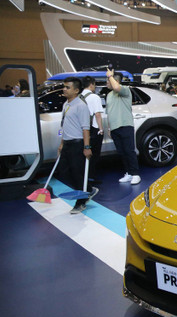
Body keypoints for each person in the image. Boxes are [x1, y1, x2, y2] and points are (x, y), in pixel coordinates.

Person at [57, 77, 99, 214]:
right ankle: (89, 189)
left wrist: (87, 147)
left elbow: (85, 128)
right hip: (67, 144)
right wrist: (61, 143)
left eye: (67, 87)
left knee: (77, 174)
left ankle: (81, 203)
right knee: (64, 172)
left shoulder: (81, 106)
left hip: (77, 144)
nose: (64, 89)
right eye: (64, 86)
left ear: (76, 90)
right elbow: (64, 126)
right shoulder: (66, 104)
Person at [106, 69, 141, 185]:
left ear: (115, 81)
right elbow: (109, 112)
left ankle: (135, 174)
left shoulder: (125, 90)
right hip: (115, 128)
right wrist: (110, 128)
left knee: (129, 151)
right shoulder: (109, 95)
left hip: (125, 125)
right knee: (121, 152)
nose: (106, 83)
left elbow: (116, 87)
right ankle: (128, 173)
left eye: (108, 80)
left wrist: (110, 76)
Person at [81, 76, 105, 183]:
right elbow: (98, 114)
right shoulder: (95, 97)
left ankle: (84, 177)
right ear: (91, 84)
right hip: (94, 129)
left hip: (83, 129)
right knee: (94, 155)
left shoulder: (79, 96)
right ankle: (90, 177)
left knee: (84, 154)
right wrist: (101, 129)